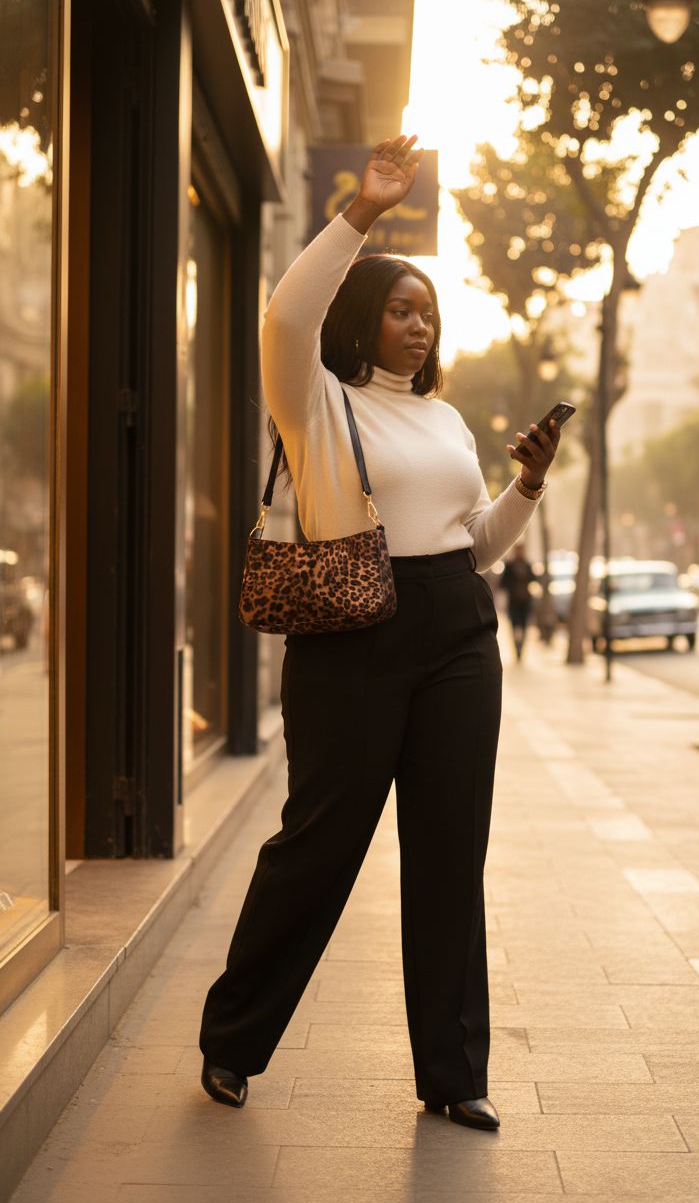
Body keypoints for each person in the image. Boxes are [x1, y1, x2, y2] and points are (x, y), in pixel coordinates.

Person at [198, 135, 561, 1132]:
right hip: (348, 635)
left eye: (428, 314)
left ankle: (452, 1073)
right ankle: (232, 1041)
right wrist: (363, 210)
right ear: (363, 316)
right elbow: (285, 313)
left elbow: (475, 545)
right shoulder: (313, 401)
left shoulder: (443, 421)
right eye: (401, 309)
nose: (418, 325)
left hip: (455, 633)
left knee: (449, 852)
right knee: (318, 845)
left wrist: (524, 485)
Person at [499, 543, 535, 661]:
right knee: (514, 626)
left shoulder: (527, 565)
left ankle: (521, 649)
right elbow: (503, 583)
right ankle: (516, 649)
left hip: (525, 601)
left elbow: (533, 579)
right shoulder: (509, 566)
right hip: (514, 601)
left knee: (524, 626)